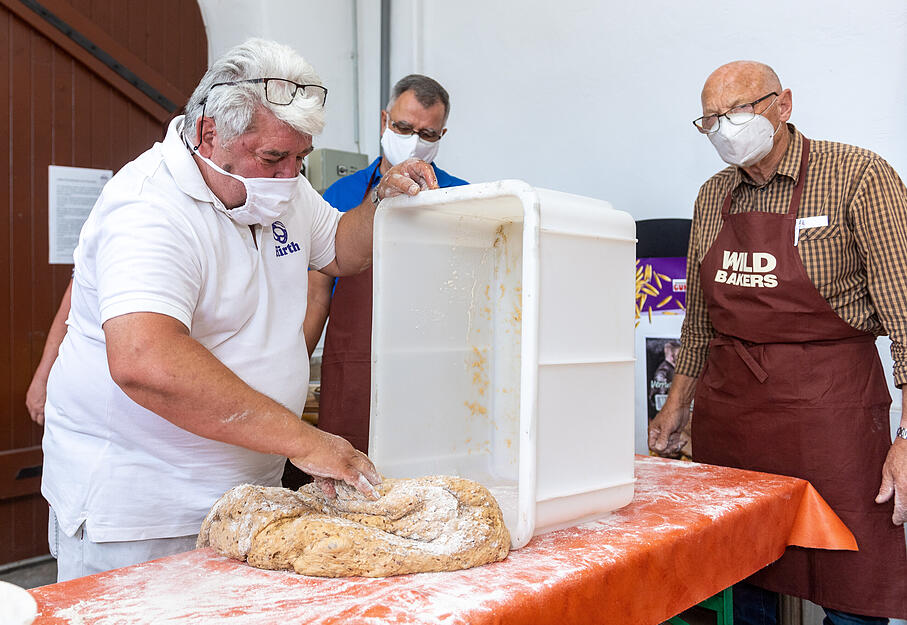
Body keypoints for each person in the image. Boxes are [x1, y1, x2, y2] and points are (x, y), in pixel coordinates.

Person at [39, 38, 438, 582]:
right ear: (209, 133)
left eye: (300, 157)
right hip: (143, 511)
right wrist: (308, 442)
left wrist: (381, 204)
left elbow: (341, 247)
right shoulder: (148, 207)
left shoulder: (282, 190)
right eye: (273, 157)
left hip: (246, 495)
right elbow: (146, 363)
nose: (289, 175)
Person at [649, 60, 907, 624]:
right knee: (741, 569)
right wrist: (675, 409)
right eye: (710, 119)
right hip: (733, 412)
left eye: (738, 111)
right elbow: (700, 322)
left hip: (833, 410)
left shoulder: (858, 175)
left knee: (850, 573)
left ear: (783, 105)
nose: (724, 128)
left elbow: (906, 314)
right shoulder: (713, 196)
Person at [305, 74, 468, 453]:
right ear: (384, 122)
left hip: (431, 371)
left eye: (427, 134)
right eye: (404, 127)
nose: (414, 140)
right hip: (354, 372)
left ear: (442, 135)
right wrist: (293, 373)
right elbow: (316, 297)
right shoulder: (341, 194)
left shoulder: (461, 198)